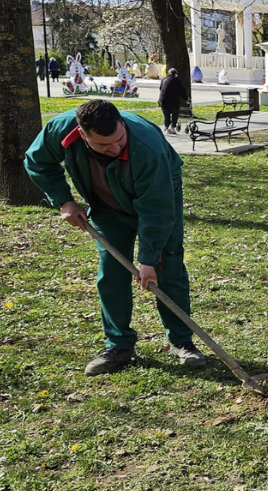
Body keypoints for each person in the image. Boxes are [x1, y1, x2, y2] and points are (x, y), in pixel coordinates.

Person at [24, 100, 207, 376]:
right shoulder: (60, 130)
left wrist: (148, 259)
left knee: (166, 265)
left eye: (119, 140)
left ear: (122, 122)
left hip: (161, 194)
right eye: (103, 145)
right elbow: (37, 161)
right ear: (83, 135)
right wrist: (63, 201)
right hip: (106, 205)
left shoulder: (146, 147)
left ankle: (183, 342)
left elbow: (156, 211)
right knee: (111, 270)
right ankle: (119, 345)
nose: (115, 148)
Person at [158, 68, 187, 135]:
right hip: (173, 101)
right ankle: (172, 126)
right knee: (175, 113)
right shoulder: (177, 80)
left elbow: (160, 88)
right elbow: (181, 91)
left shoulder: (163, 79)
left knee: (166, 115)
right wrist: (186, 99)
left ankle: (166, 127)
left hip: (163, 100)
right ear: (175, 74)